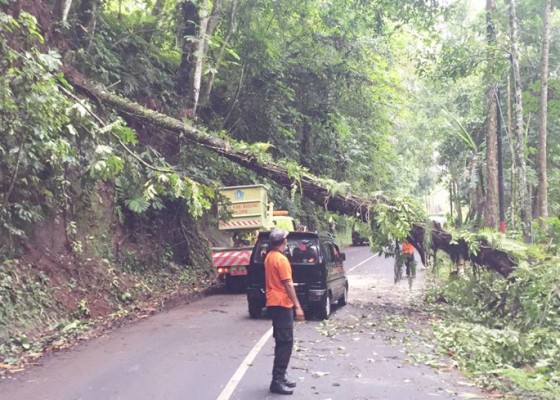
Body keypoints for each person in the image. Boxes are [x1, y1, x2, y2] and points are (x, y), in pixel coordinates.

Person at [265, 228, 305, 395]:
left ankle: (281, 376)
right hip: (282, 303)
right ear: (283, 242)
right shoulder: (281, 259)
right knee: (285, 343)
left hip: (274, 302)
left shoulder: (269, 257)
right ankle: (277, 380)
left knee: (282, 341)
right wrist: (298, 306)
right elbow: (288, 284)